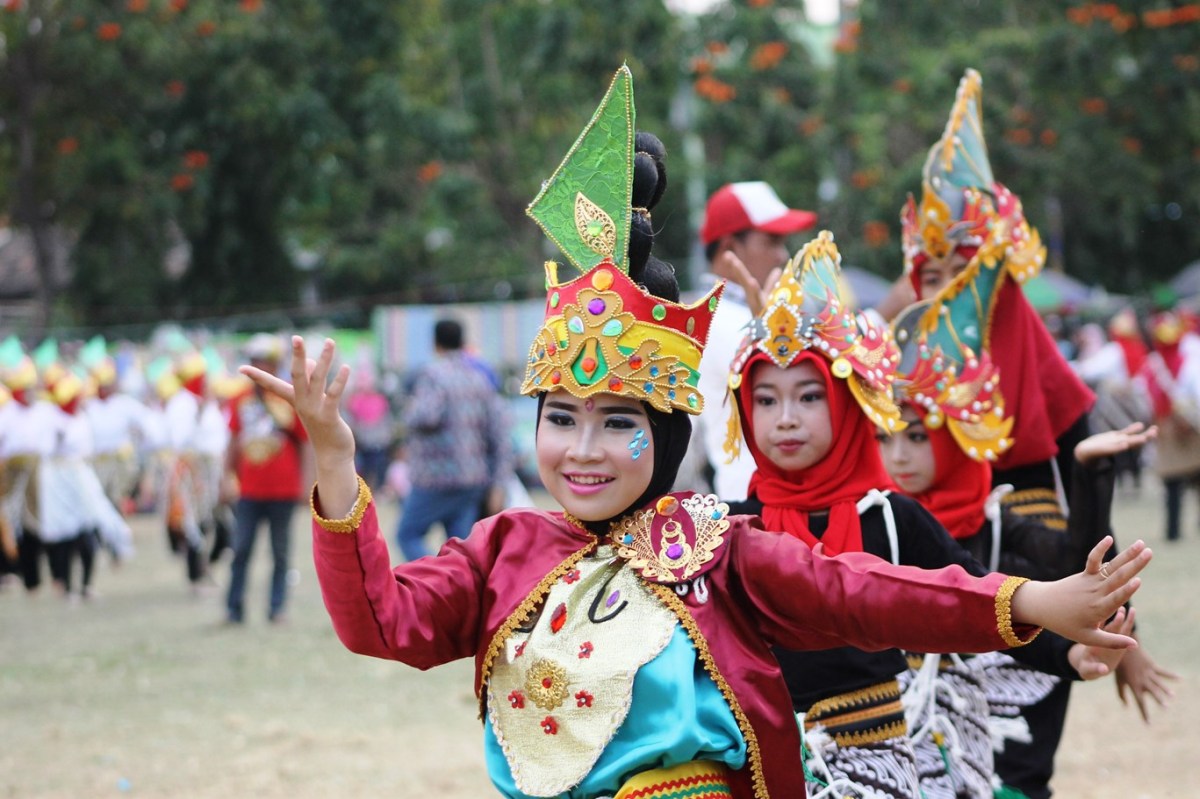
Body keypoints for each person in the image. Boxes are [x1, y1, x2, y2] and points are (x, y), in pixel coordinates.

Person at [241, 67, 1151, 799]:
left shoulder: (718, 547)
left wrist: (1031, 603)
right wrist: (336, 462)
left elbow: (868, 591)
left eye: (618, 422)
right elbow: (379, 621)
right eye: (561, 418)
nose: (583, 448)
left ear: (668, 440)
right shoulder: (502, 550)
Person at [716, 230, 1127, 799]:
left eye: (809, 396)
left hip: (875, 759)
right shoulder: (730, 529)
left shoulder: (891, 518)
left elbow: (969, 595)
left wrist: (1066, 653)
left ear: (848, 403)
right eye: (765, 400)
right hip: (762, 754)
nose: (785, 418)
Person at [690, 181, 817, 501]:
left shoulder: (731, 316)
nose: (782, 255)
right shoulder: (717, 321)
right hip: (750, 501)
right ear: (729, 249)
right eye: (771, 241)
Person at [393, 318, 512, 561]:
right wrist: (499, 480)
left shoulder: (433, 375)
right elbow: (498, 429)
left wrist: (406, 408)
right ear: (462, 341)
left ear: (435, 343)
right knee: (461, 549)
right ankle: (458, 579)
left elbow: (425, 416)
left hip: (435, 478)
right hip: (472, 477)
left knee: (407, 535)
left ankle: (436, 576)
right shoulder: (478, 377)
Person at [224, 333, 308, 624]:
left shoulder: (289, 398)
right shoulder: (239, 399)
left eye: (263, 361)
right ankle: (234, 609)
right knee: (241, 550)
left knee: (280, 553)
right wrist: (226, 477)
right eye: (254, 361)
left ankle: (277, 608)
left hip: (284, 489)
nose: (258, 367)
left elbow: (304, 443)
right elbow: (233, 440)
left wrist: (306, 484)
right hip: (249, 489)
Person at [1139, 309, 1200, 542]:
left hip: (1165, 427)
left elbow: (1143, 396)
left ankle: (1172, 531)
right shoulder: (1189, 362)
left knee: (1172, 483)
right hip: (1188, 427)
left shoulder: (1151, 364)